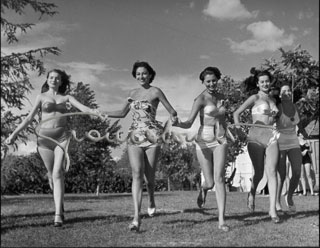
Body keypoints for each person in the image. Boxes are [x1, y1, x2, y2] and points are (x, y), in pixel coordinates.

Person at [5, 69, 99, 227]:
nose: (54, 80)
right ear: (47, 80)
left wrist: (94, 112)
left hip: (61, 139)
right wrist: (14, 134)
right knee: (51, 175)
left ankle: (57, 215)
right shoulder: (41, 97)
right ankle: (59, 204)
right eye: (51, 77)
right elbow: (29, 118)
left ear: (61, 82)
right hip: (44, 139)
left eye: (57, 78)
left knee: (58, 173)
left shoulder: (67, 97)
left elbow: (83, 108)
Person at [102, 61, 178, 232]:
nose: (141, 76)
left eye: (144, 73)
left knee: (149, 178)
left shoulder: (155, 91)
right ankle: (136, 217)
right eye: (138, 74)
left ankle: (151, 198)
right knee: (137, 173)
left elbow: (171, 110)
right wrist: (103, 113)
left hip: (152, 136)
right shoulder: (132, 93)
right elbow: (122, 113)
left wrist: (173, 116)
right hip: (135, 136)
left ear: (150, 74)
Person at [174, 66, 230, 231]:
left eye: (214, 80)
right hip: (203, 141)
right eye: (208, 81)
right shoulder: (200, 99)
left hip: (220, 140)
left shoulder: (222, 97)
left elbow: (223, 119)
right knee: (211, 182)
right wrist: (178, 123)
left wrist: (227, 131)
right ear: (203, 82)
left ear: (218, 80)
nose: (211, 84)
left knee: (219, 179)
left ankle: (221, 221)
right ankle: (203, 189)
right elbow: (190, 122)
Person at [233, 69, 280, 223]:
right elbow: (236, 113)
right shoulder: (254, 97)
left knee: (272, 171)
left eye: (267, 81)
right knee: (259, 173)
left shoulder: (274, 100)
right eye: (262, 82)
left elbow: (275, 120)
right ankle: (252, 192)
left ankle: (272, 210)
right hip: (255, 137)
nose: (265, 84)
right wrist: (239, 130)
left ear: (270, 82)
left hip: (271, 136)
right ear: (258, 84)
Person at [275, 83, 305, 213]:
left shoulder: (295, 107)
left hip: (293, 140)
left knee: (297, 171)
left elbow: (300, 125)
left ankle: (290, 196)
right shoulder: (278, 107)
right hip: (280, 140)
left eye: (289, 91)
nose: (287, 92)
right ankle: (276, 201)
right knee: (281, 175)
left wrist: (306, 137)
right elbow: (270, 120)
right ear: (280, 95)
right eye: (284, 91)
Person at [298, 131, 315, 196]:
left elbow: (311, 150)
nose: (302, 134)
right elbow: (296, 151)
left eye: (303, 134)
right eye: (301, 133)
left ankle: (312, 191)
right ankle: (304, 192)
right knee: (302, 175)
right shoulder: (297, 142)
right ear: (299, 134)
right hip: (300, 159)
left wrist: (307, 150)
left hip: (307, 159)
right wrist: (301, 152)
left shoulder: (307, 141)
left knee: (308, 174)